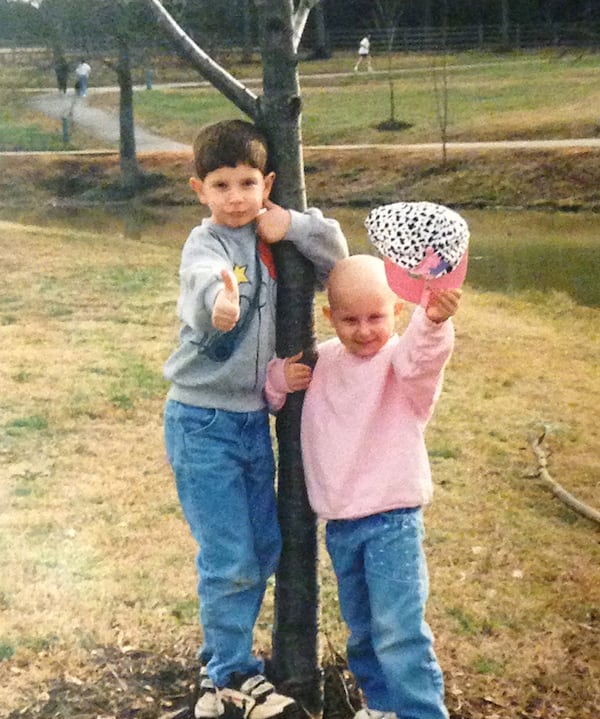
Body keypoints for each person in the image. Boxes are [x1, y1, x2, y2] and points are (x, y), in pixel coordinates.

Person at [163, 119, 348, 719]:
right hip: (202, 422)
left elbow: (336, 257)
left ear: (267, 182)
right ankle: (231, 674)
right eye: (221, 185)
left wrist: (290, 224)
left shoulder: (274, 236)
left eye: (247, 183)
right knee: (231, 557)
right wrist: (217, 306)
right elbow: (201, 286)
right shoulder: (207, 244)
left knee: (264, 544)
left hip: (249, 421)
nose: (236, 197)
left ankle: (220, 662)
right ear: (200, 191)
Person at [266, 254, 462, 719]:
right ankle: (381, 706)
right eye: (349, 319)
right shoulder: (325, 362)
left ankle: (420, 712)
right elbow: (275, 399)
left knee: (399, 631)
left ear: (395, 310)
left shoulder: (399, 363)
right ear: (329, 317)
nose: (363, 330)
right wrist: (280, 378)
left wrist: (431, 323)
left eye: (375, 316)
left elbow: (422, 361)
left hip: (392, 519)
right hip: (341, 523)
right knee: (362, 630)